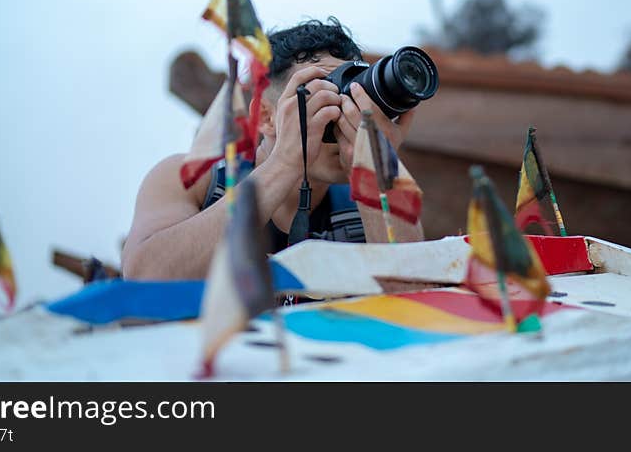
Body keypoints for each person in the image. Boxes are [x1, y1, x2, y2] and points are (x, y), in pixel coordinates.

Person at [121, 17, 423, 280]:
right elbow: (144, 278)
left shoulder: (368, 199)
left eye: (353, 99)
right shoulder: (191, 180)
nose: (342, 112)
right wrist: (285, 163)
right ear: (266, 116)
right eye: (322, 94)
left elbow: (415, 289)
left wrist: (380, 166)